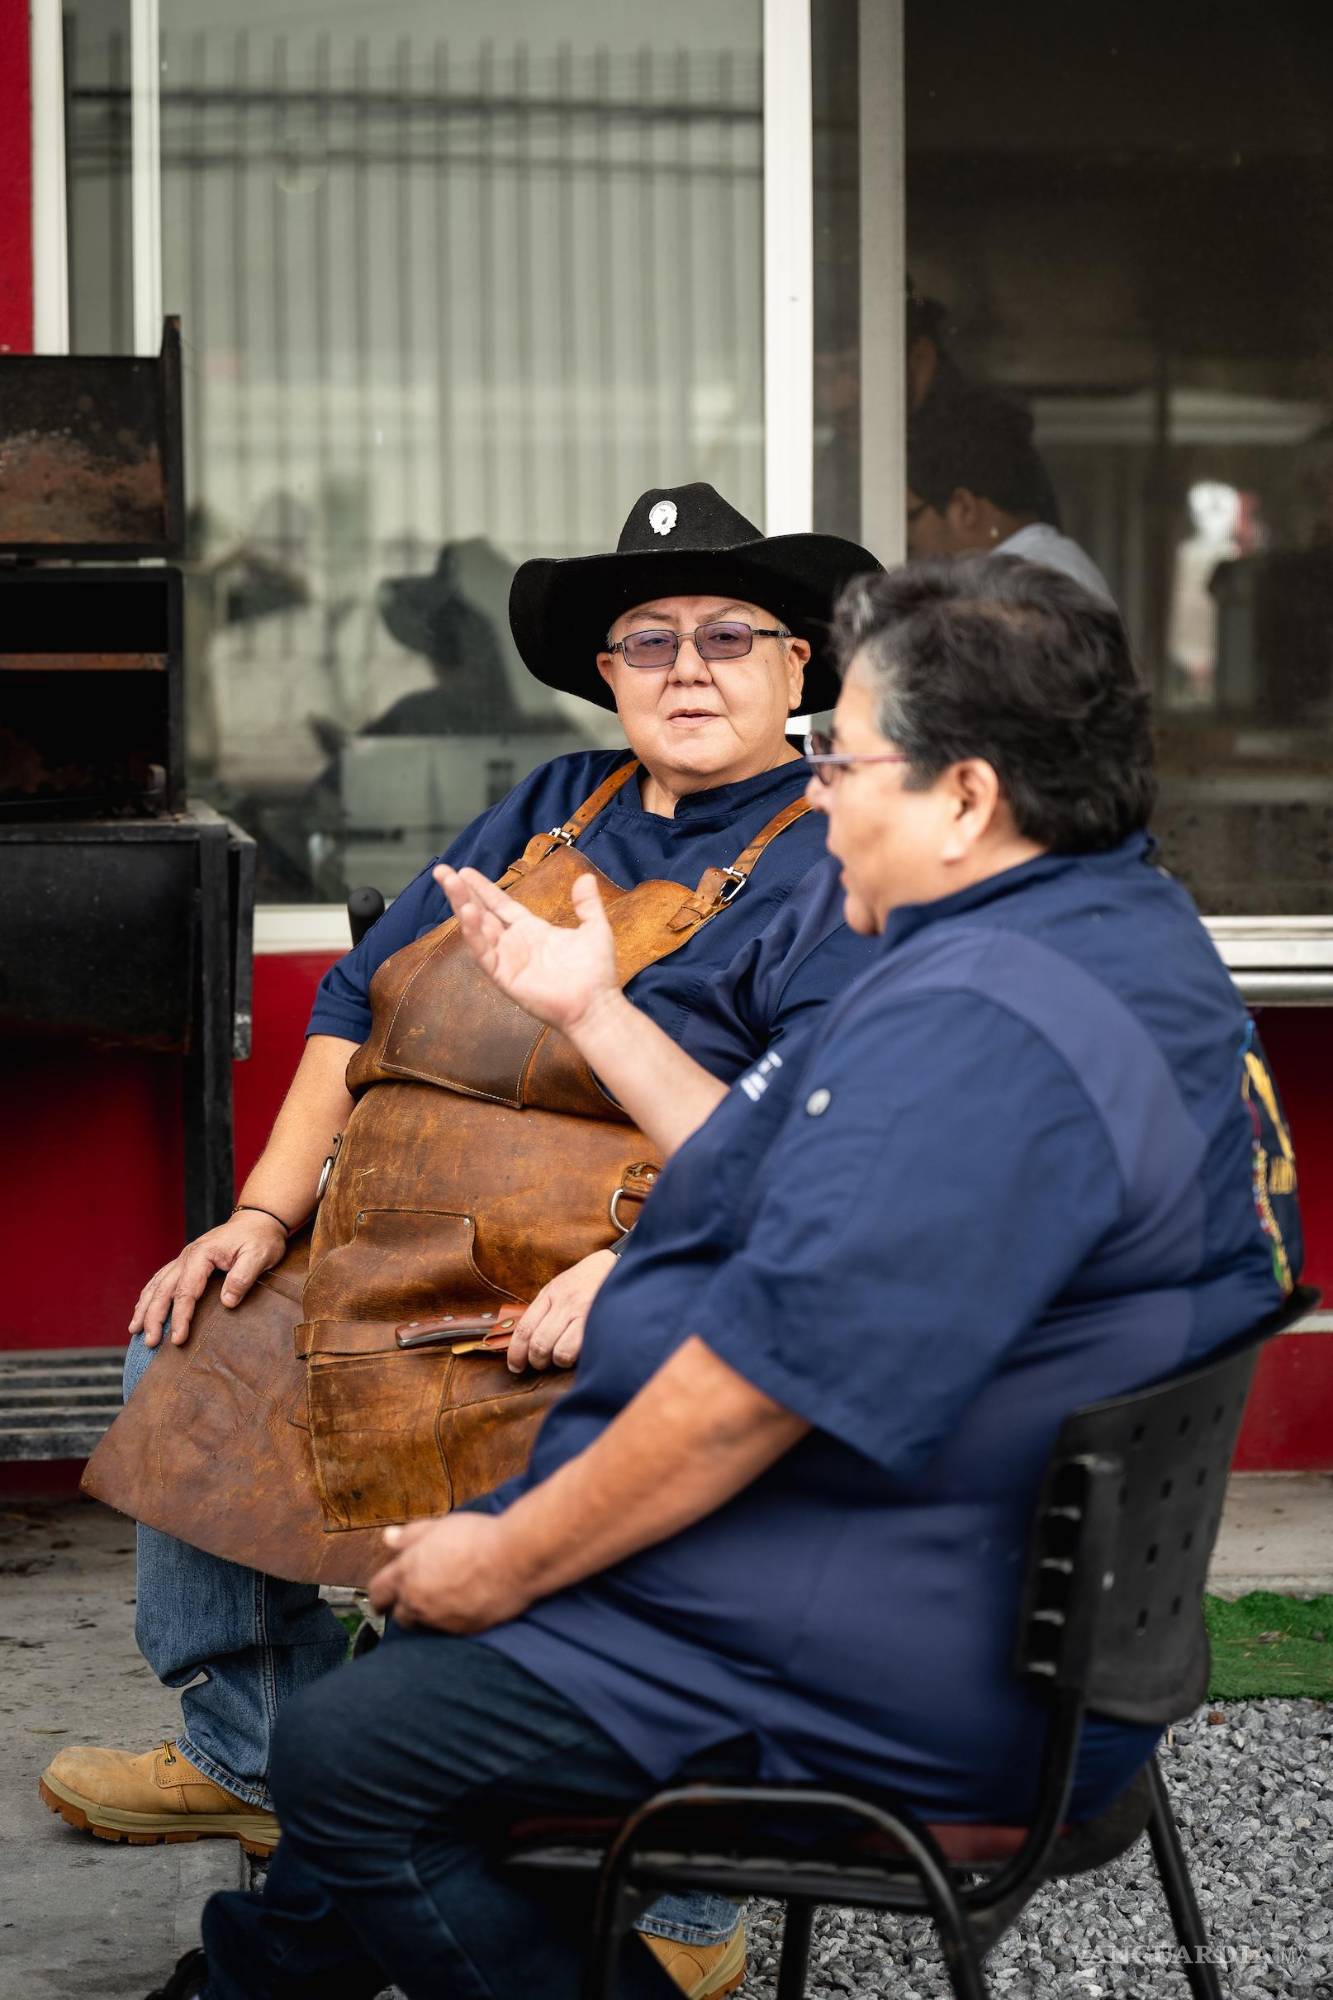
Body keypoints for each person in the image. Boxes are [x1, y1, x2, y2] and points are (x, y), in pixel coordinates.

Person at [145, 554, 1300, 2000]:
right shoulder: (1091, 943)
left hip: (906, 1645)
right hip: (956, 1578)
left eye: (843, 761)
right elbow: (748, 1167)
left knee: (354, 1749)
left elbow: (755, 1397)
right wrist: (593, 1011)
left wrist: (511, 1555)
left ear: (963, 799)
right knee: (412, 1704)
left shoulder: (979, 1035)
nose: (816, 798)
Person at [44, 482, 880, 1998]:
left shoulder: (835, 859)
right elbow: (359, 1002)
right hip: (401, 1243)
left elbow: (812, 1133)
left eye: (727, 636)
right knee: (186, 1329)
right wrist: (258, 1215)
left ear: (799, 668)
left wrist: (645, 1266)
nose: (686, 668)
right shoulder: (552, 803)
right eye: (647, 642)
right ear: (605, 675)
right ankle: (263, 1758)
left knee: (602, 1456)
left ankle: (668, 1893)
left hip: (610, 1275)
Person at [906, 377, 1113, 601]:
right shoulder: (1045, 567)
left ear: (965, 508)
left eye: (911, 517)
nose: (906, 536)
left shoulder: (1022, 589)